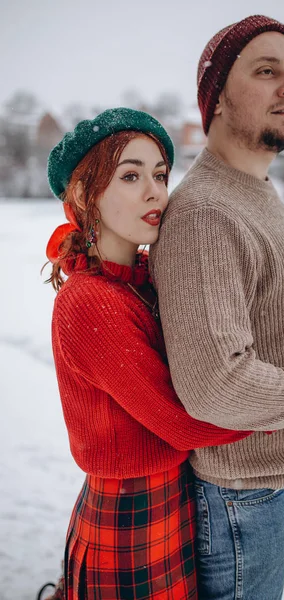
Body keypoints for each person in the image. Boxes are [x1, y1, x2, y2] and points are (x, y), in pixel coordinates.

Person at [149, 15, 284, 600]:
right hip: (244, 496)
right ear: (215, 99)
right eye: (267, 71)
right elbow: (217, 385)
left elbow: (243, 309)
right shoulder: (208, 211)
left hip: (268, 481)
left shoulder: (252, 188)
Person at [41, 107, 253, 600]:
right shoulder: (90, 300)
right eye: (131, 176)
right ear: (84, 194)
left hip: (168, 499)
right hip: (129, 517)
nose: (155, 190)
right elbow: (181, 421)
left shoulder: (141, 280)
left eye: (159, 174)